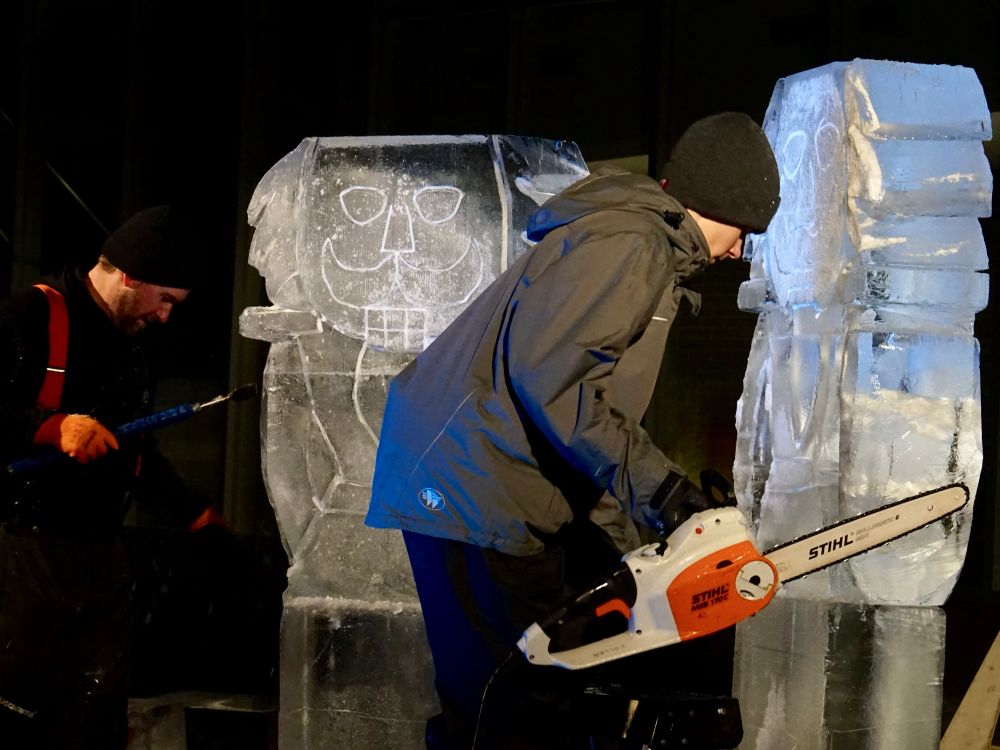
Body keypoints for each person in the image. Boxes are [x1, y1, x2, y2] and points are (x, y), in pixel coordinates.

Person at [366, 112, 781, 749]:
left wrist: (634, 545)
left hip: (492, 480)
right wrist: (665, 494)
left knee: (531, 693)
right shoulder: (631, 243)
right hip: (476, 481)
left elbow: (587, 418)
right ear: (719, 202)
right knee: (516, 703)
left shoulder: (631, 240)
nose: (738, 251)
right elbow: (554, 380)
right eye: (745, 230)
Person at [0, 206, 210, 748]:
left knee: (95, 715)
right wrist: (51, 427)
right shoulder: (31, 314)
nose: (166, 316)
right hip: (21, 547)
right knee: (20, 710)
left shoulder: (133, 341)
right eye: (165, 299)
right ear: (131, 274)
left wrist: (195, 516)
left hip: (99, 556)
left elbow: (134, 450)